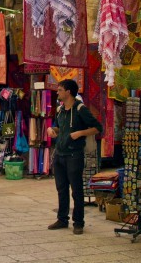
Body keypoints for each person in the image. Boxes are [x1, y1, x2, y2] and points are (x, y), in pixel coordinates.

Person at [46, 79, 103, 235]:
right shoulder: (60, 109)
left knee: (76, 190)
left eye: (59, 90)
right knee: (61, 189)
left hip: (74, 155)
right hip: (59, 154)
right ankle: (62, 219)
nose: (57, 92)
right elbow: (59, 127)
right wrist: (53, 130)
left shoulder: (80, 109)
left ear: (68, 92)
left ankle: (78, 222)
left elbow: (98, 128)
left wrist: (81, 133)